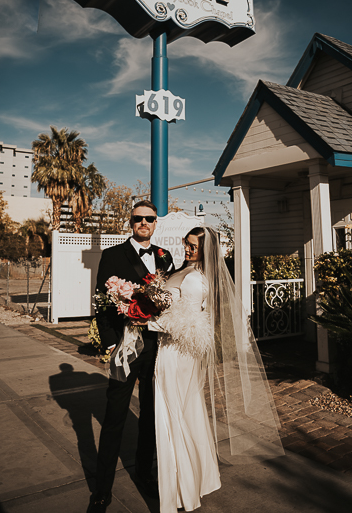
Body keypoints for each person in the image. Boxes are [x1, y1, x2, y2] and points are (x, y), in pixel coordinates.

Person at [148, 226, 283, 513]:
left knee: (175, 415)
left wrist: (146, 321)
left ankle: (183, 490)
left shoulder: (197, 280)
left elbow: (188, 323)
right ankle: (189, 482)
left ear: (206, 250)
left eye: (193, 247)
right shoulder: (183, 270)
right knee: (182, 413)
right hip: (170, 351)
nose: (187, 249)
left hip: (177, 353)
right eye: (186, 244)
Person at [88, 200, 173, 513]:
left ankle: (145, 473)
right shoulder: (112, 255)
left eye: (149, 219)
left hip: (158, 347)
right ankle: (102, 489)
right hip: (126, 346)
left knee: (151, 414)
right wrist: (111, 344)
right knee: (114, 417)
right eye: (138, 218)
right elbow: (100, 300)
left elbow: (172, 299)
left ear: (155, 223)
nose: (144, 223)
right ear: (131, 222)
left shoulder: (165, 256)